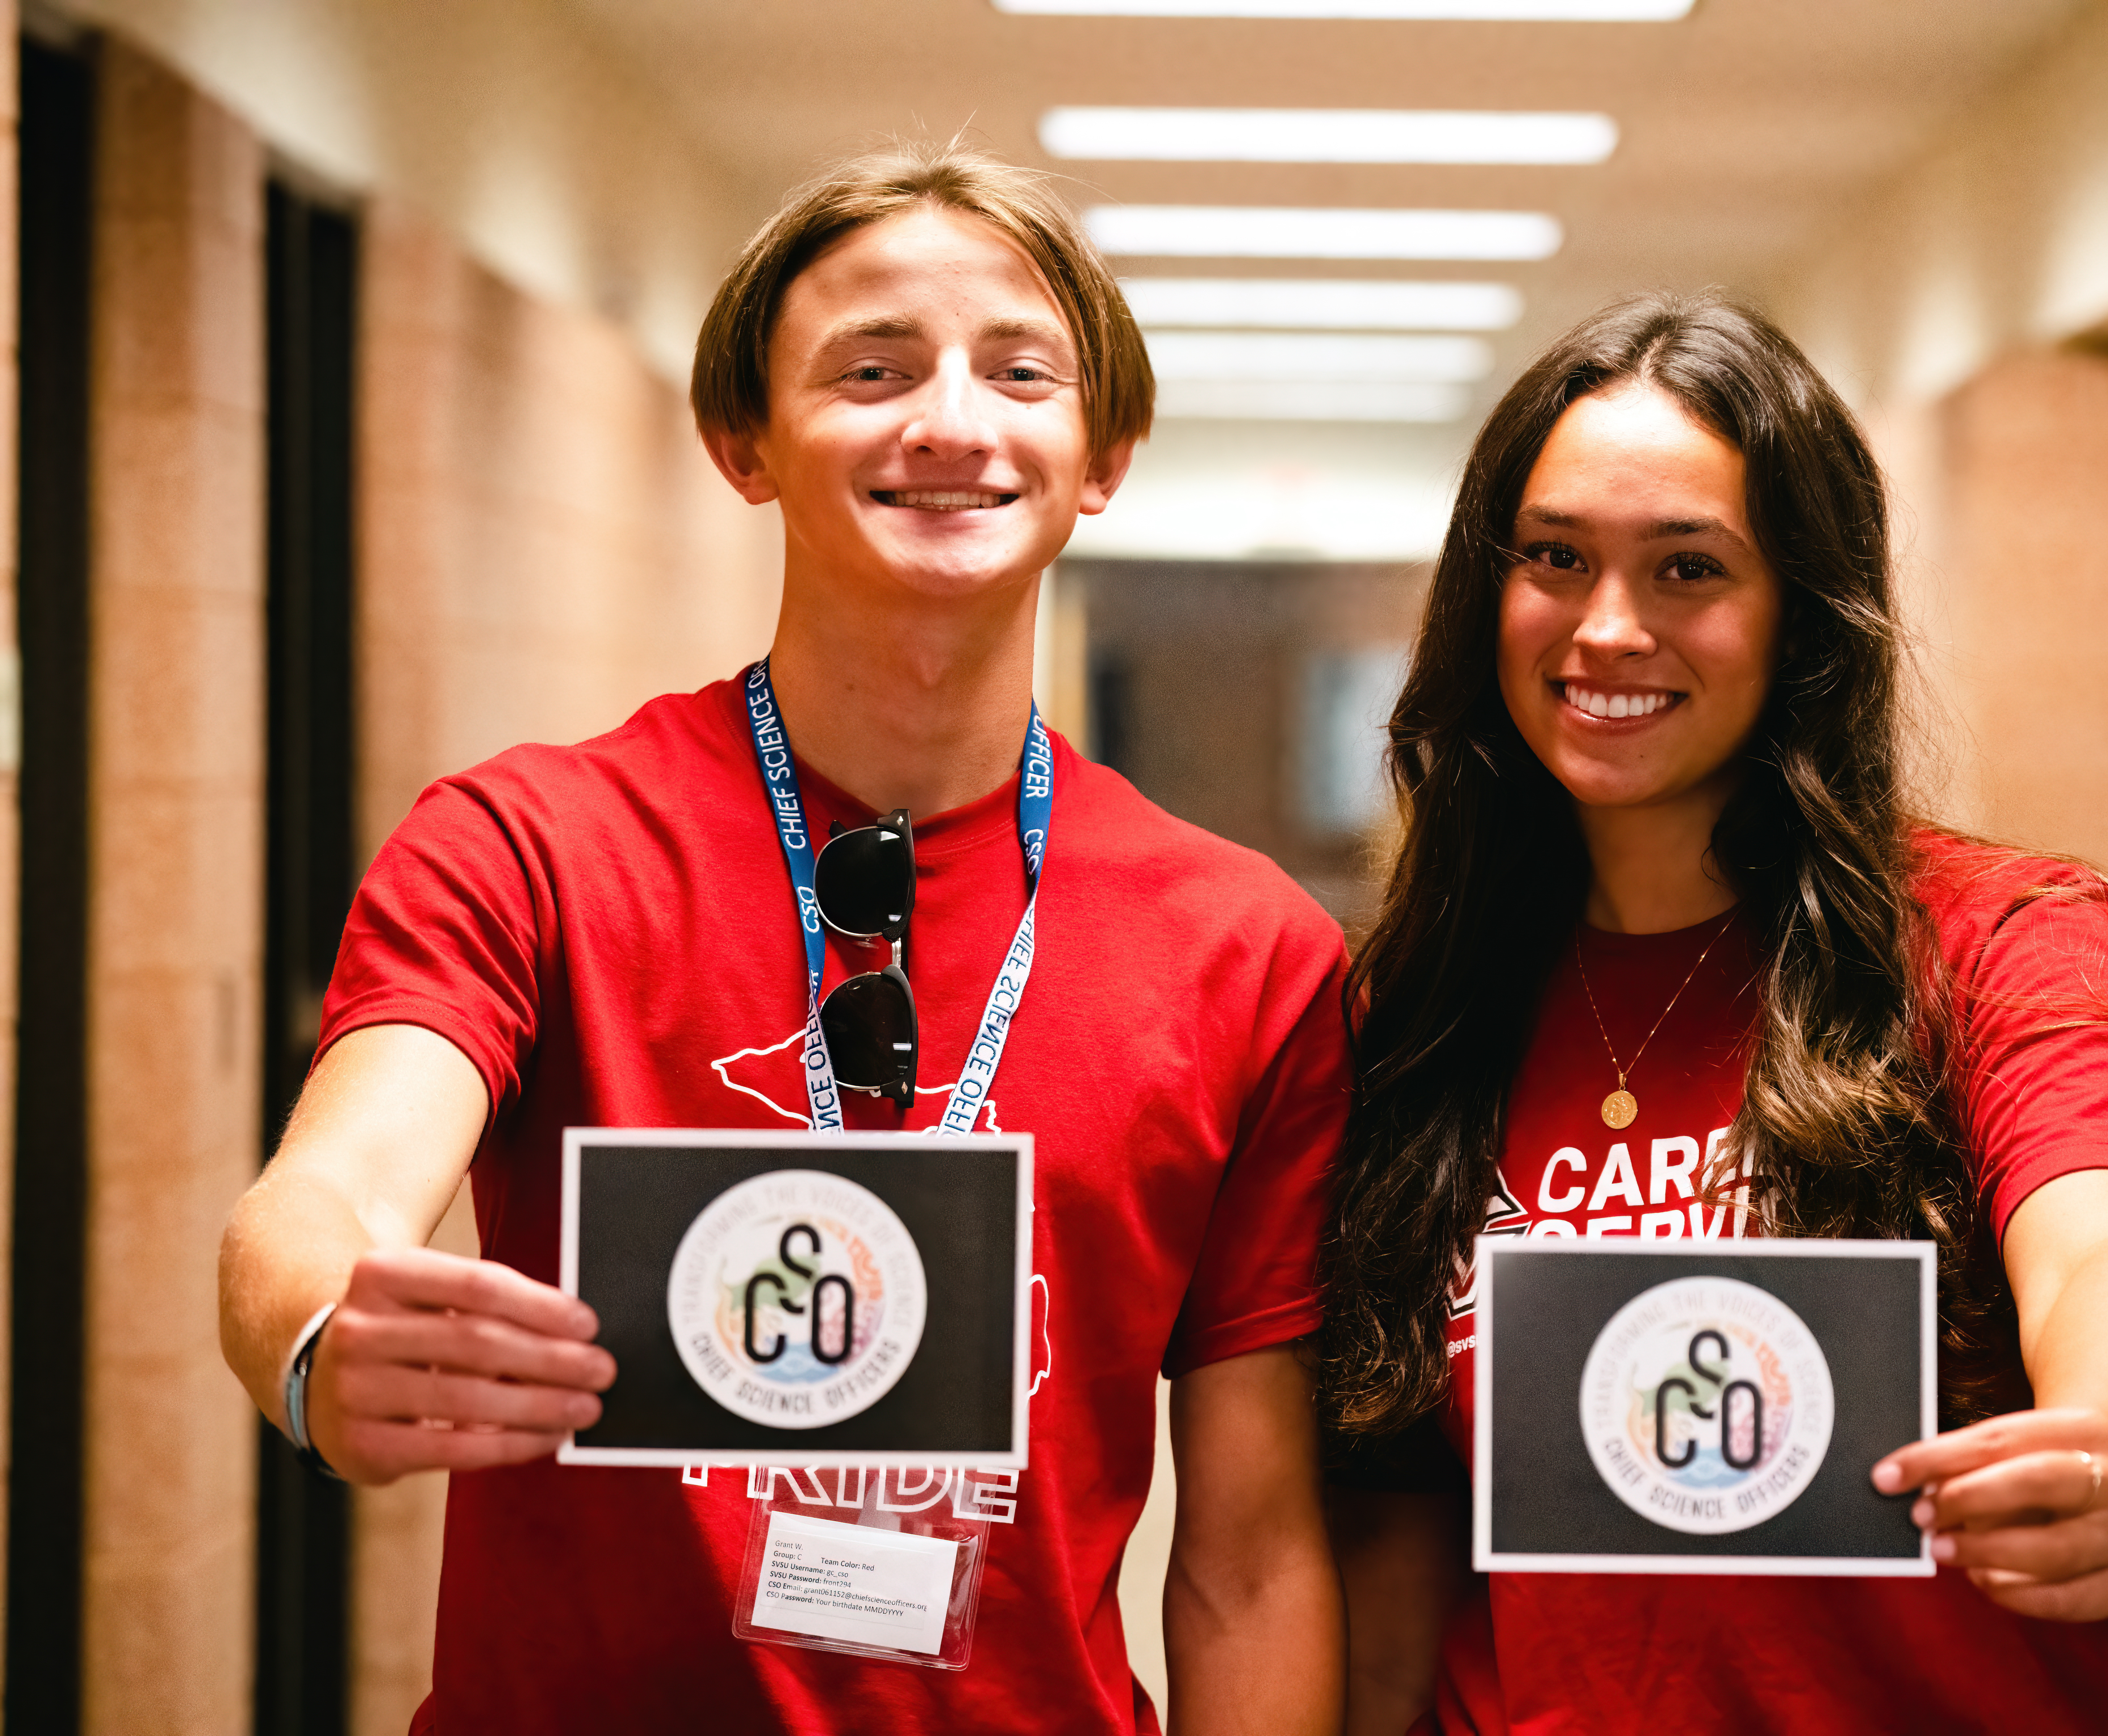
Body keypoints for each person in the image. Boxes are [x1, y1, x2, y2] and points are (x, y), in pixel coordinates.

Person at [217, 143, 1346, 1735]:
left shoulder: (1249, 951)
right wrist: (323, 1340)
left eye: (1020, 371)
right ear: (741, 442)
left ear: (1103, 455)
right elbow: (322, 1192)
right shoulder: (532, 845)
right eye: (871, 370)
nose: (948, 421)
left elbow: (1249, 1559)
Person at [1319, 291, 2108, 1733]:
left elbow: (2102, 1241)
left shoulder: (2001, 941)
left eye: (1689, 569)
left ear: (1802, 613)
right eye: (1554, 558)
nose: (1609, 628)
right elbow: (1392, 1522)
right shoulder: (1414, 1015)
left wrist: (2103, 1446)